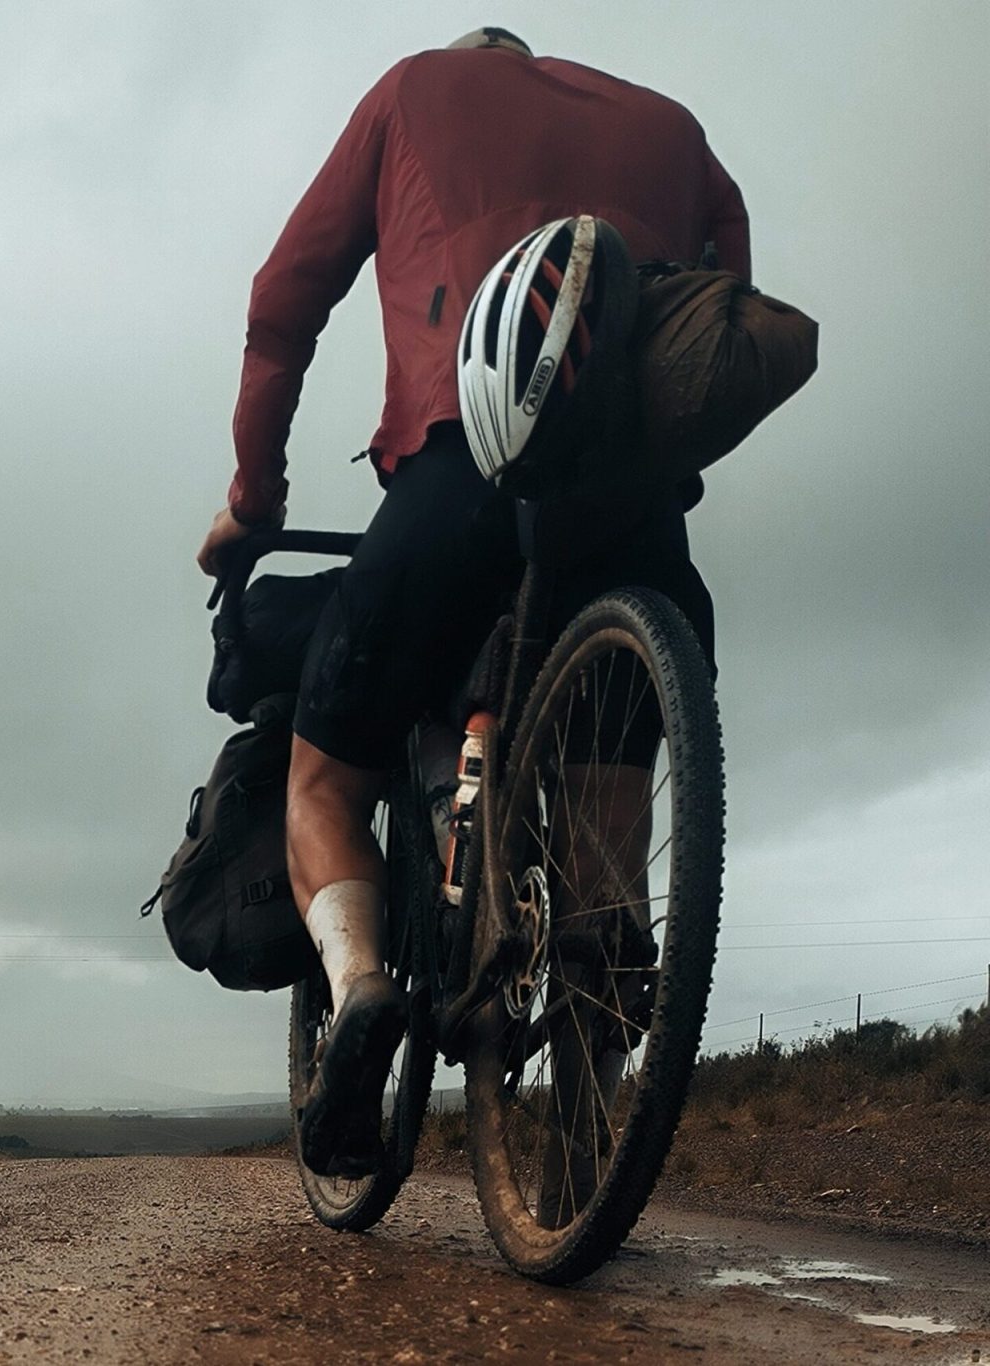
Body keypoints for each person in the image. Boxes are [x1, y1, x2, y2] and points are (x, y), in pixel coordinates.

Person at [195, 28, 748, 1177]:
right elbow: (719, 322)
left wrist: (254, 495)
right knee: (607, 821)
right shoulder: (674, 131)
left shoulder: (411, 90)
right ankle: (588, 1125)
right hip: (630, 510)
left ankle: (356, 989)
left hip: (455, 472)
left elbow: (279, 302)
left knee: (322, 778)